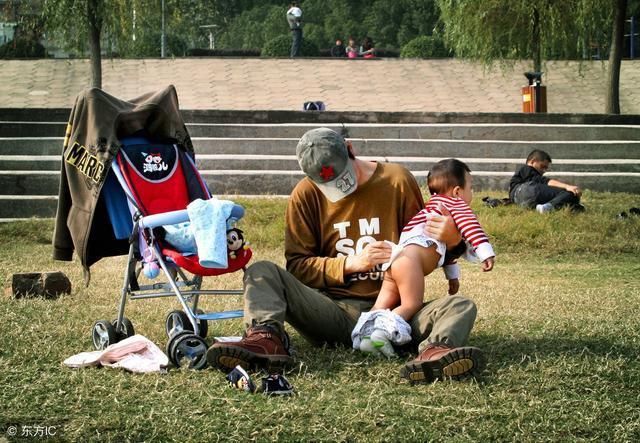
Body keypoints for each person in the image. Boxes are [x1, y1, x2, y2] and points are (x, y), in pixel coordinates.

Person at [206, 128, 485, 384]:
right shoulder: (305, 195)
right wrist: (351, 264)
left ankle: (435, 354)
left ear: (350, 149)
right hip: (333, 311)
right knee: (262, 271)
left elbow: (421, 248)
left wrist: (454, 240)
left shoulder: (396, 181)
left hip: (394, 316)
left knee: (459, 306)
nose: (338, 187)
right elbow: (298, 266)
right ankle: (265, 340)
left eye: (342, 177)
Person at [356, 159, 495, 355]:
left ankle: (363, 336)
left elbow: (445, 247)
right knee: (410, 304)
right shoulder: (456, 204)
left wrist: (452, 276)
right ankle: (381, 334)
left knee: (381, 305)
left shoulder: (431, 208)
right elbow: (471, 227)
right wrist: (485, 252)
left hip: (396, 258)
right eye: (470, 187)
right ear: (457, 191)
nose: (471, 193)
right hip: (410, 262)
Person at [509, 149, 584, 213]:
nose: (544, 170)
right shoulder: (526, 168)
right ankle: (548, 208)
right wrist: (567, 186)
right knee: (570, 193)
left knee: (577, 206)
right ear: (532, 161)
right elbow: (544, 181)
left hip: (520, 201)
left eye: (546, 168)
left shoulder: (519, 176)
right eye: (542, 166)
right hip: (527, 190)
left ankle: (545, 207)